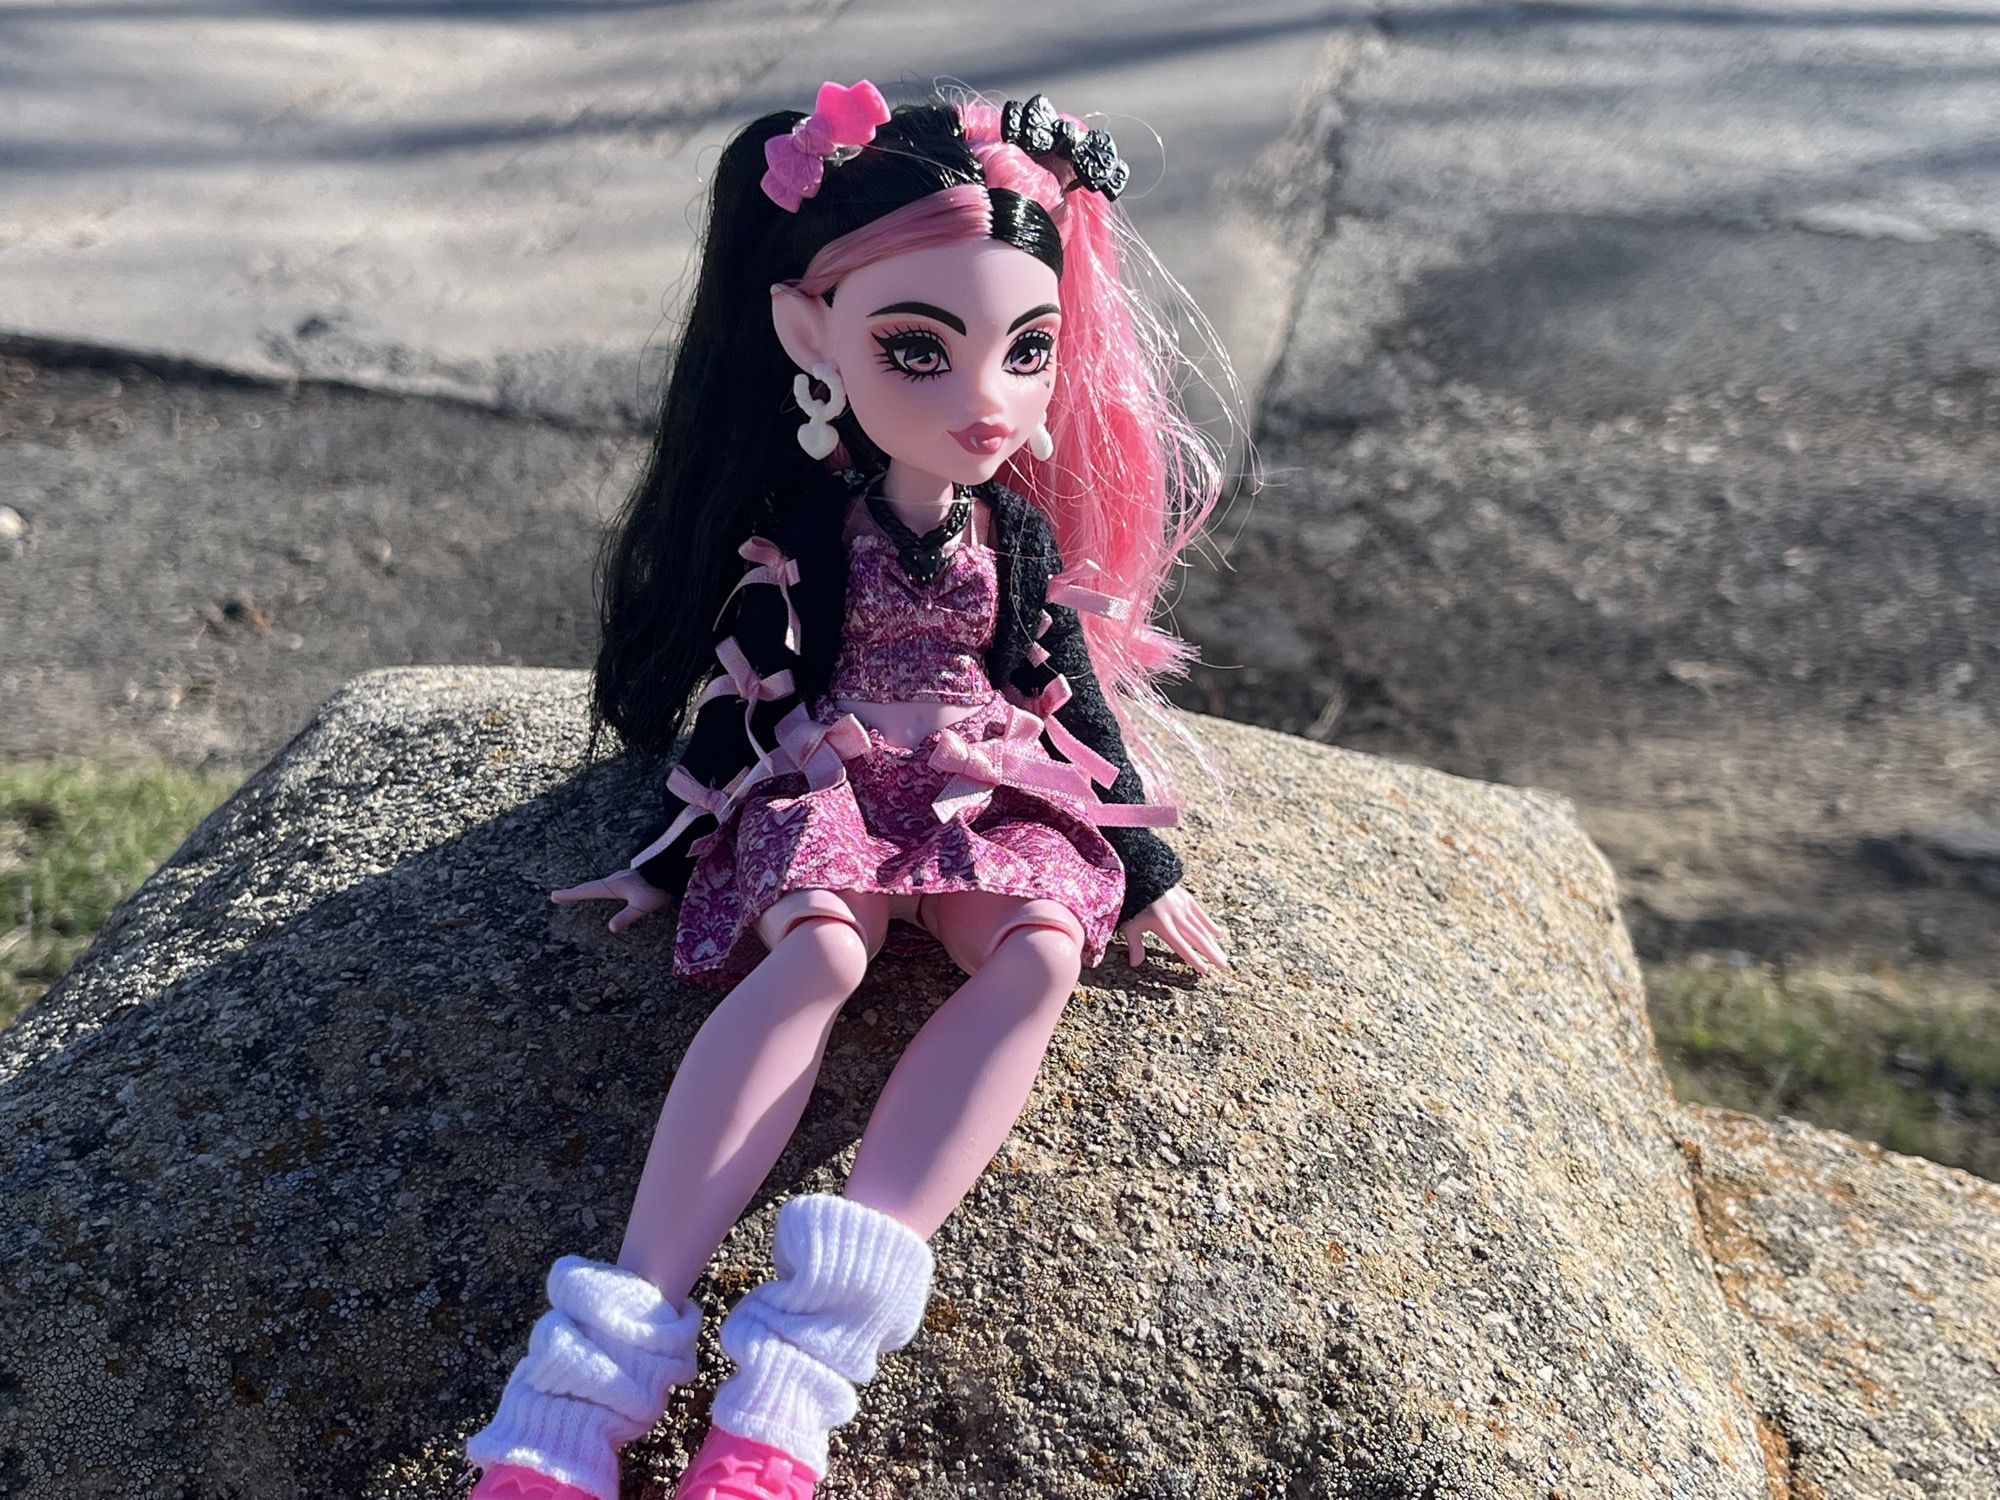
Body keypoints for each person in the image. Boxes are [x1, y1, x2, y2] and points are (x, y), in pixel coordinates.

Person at [464, 80, 1231, 1500]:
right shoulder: (810, 538)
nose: (988, 399)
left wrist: (1149, 872)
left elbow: (1072, 696)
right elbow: (742, 694)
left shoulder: (1013, 542)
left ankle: (801, 1372)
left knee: (1042, 946)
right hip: (830, 776)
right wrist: (665, 851)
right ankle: (589, 1373)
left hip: (980, 785)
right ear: (813, 336)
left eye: (1029, 350)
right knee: (819, 949)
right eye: (918, 350)